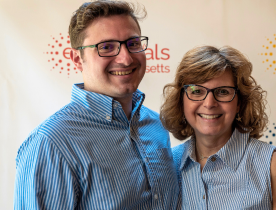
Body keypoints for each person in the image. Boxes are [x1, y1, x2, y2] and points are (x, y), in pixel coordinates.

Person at [14, 1, 178, 209]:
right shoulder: (51, 144)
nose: (125, 58)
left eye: (133, 43)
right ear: (77, 58)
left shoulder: (155, 125)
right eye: (107, 47)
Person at [160, 46, 276, 209]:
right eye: (197, 91)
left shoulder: (273, 165)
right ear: (182, 101)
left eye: (223, 91)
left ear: (239, 102)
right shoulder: (168, 165)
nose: (209, 104)